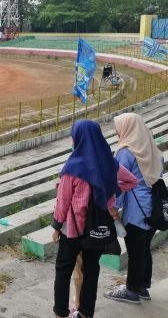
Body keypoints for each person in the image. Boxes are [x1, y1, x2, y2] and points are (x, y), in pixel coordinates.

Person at [51, 120, 136, 318]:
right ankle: (86, 313)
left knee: (63, 270)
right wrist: (110, 195)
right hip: (98, 227)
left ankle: (61, 313)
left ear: (77, 137)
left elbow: (63, 202)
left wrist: (56, 226)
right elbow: (131, 181)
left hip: (72, 229)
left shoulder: (72, 167)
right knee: (91, 270)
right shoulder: (109, 163)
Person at [104, 113, 164, 304]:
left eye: (118, 127)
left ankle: (131, 291)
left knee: (135, 252)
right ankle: (143, 287)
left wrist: (113, 208)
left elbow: (119, 184)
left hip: (136, 211)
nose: (116, 132)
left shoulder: (126, 152)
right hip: (153, 209)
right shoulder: (153, 150)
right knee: (144, 248)